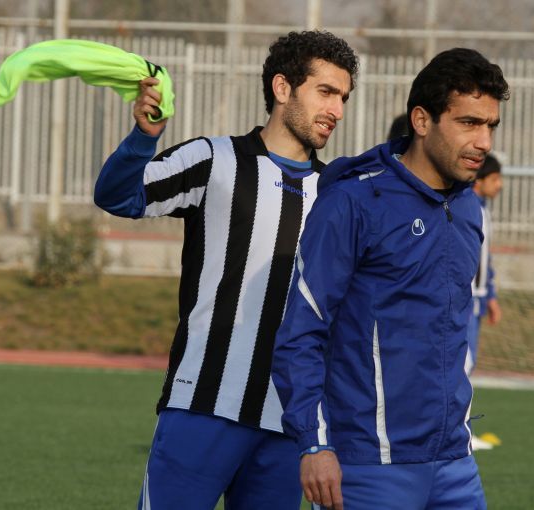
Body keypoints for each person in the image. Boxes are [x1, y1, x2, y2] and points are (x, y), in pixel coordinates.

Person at [93, 31, 358, 510]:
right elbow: (117, 196)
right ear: (282, 88)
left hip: (286, 423)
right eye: (326, 92)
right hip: (202, 405)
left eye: (343, 97)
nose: (336, 109)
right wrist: (144, 138)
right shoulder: (214, 158)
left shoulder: (339, 195)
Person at [272, 47, 509, 510]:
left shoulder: (468, 207)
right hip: (368, 465)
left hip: (454, 463)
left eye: (490, 126)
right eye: (468, 123)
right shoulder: (353, 202)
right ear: (421, 120)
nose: (484, 141)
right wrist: (314, 443)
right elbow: (302, 332)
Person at [466, 153, 504, 376]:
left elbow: (485, 259)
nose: (500, 185)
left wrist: (490, 296)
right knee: (463, 363)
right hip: (465, 298)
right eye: (495, 179)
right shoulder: (467, 208)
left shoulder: (483, 209)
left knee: (468, 362)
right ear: (478, 180)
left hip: (477, 297)